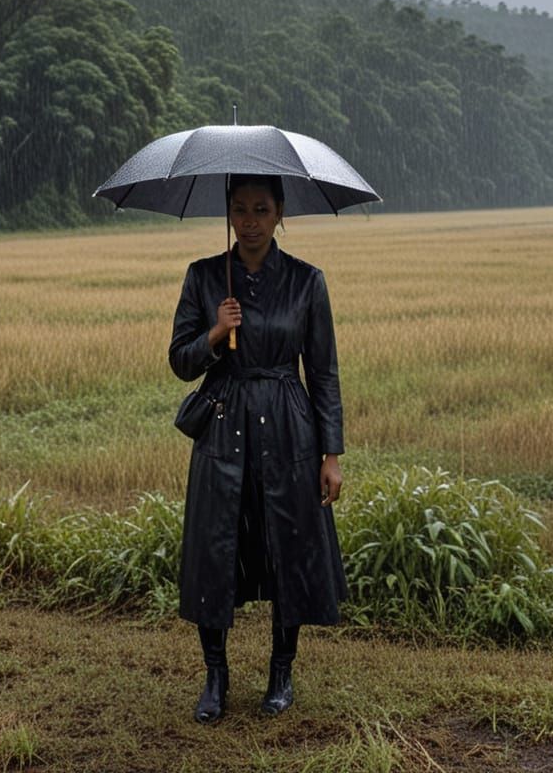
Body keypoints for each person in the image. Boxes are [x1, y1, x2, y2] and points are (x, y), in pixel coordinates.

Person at [168, 173, 348, 724]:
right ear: (227, 211)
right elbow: (180, 361)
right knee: (215, 547)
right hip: (223, 430)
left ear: (279, 213)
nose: (250, 220)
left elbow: (322, 373)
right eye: (240, 209)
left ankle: (281, 673)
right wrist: (215, 334)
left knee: (288, 545)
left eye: (261, 209)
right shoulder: (203, 278)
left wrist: (331, 453)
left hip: (290, 431)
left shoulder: (305, 281)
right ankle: (215, 678)